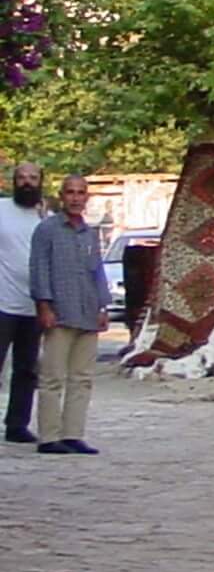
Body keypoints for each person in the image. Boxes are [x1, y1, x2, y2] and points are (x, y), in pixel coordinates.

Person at [28, 174, 110, 456]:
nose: (76, 198)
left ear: (87, 197)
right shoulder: (47, 229)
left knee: (82, 377)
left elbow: (97, 271)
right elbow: (39, 269)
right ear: (61, 196)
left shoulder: (90, 233)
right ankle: (49, 437)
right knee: (52, 377)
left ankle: (73, 433)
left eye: (81, 193)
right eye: (70, 192)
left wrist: (102, 306)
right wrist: (44, 306)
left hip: (88, 311)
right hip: (60, 312)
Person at [0, 161, 44, 443]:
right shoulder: (2, 210)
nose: (27, 182)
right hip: (2, 304)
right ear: (13, 181)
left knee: (27, 369)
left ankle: (17, 424)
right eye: (22, 177)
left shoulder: (48, 216)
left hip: (35, 306)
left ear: (41, 181)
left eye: (33, 177)